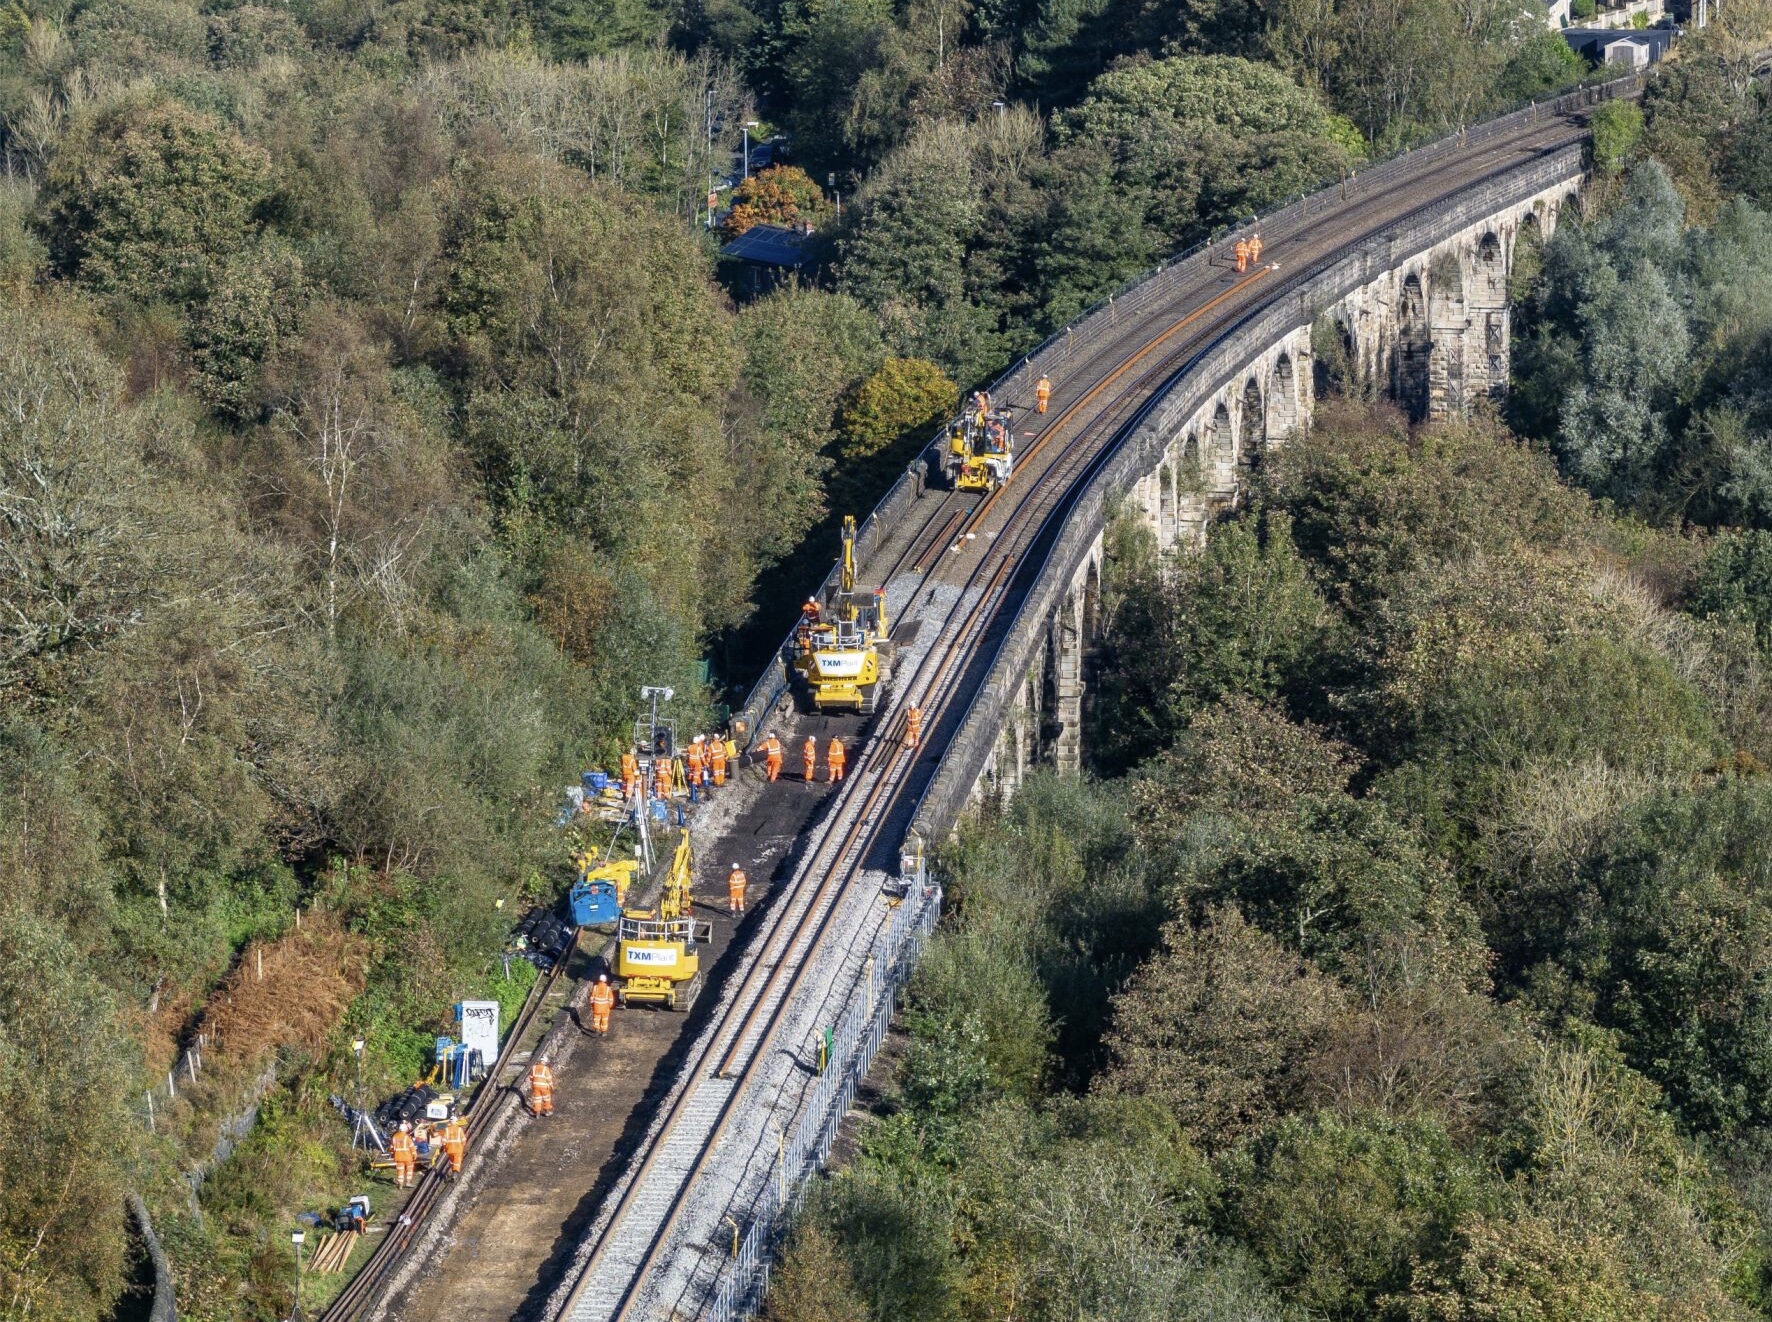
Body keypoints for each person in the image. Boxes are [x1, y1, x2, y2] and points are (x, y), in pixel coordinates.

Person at [390, 1122, 417, 1188]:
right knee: (409, 1169)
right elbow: (412, 1147)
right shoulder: (407, 1137)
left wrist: (393, 1154)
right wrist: (414, 1155)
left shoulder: (395, 1136)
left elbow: (391, 1148)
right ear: (405, 1129)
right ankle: (408, 1182)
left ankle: (400, 1184)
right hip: (407, 1157)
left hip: (398, 1157)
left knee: (400, 1170)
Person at [440, 1112, 466, 1177]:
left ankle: (452, 1170)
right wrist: (463, 1145)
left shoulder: (446, 1129)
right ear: (456, 1121)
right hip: (458, 1149)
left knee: (452, 1161)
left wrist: (445, 1148)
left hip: (449, 1149)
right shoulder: (459, 1129)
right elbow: (463, 1139)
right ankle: (455, 1173)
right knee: (457, 1161)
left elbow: (443, 1140)